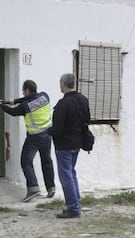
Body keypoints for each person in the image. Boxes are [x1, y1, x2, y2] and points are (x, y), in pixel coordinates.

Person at [0, 80, 55, 202]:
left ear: (27, 90)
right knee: (46, 161)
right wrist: (9, 101)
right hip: (47, 135)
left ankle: (33, 188)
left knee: (26, 161)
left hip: (34, 137)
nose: (23, 93)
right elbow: (26, 100)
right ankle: (51, 187)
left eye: (23, 91)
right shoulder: (45, 96)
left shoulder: (25, 107)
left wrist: (2, 105)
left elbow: (13, 112)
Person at [49, 73, 90, 219]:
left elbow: (57, 128)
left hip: (64, 144)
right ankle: (75, 202)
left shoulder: (63, 103)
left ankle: (73, 208)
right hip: (77, 142)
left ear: (63, 84)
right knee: (71, 173)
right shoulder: (83, 100)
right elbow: (87, 120)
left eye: (60, 83)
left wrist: (49, 131)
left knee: (66, 175)